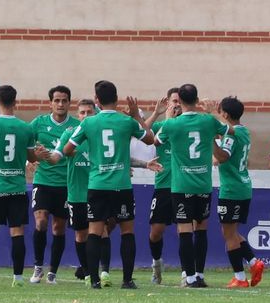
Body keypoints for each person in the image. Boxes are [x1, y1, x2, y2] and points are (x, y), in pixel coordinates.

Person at [63, 80, 158, 289]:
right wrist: (135, 115)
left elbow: (68, 149)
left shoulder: (88, 123)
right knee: (127, 231)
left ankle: (94, 279)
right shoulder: (126, 121)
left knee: (94, 232)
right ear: (117, 99)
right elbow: (150, 140)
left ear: (97, 101)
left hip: (97, 185)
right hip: (121, 185)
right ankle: (127, 280)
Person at [157, 84, 230, 288]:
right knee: (201, 229)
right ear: (197, 99)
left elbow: (155, 141)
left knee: (184, 230)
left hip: (181, 186)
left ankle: (188, 277)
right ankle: (199, 274)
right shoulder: (207, 121)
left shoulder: (173, 124)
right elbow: (229, 131)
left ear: (178, 100)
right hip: (203, 184)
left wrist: (168, 119)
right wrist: (213, 113)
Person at [0, 85, 39, 285]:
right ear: (15, 101)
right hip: (17, 188)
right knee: (17, 231)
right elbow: (30, 156)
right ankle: (18, 277)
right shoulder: (26, 128)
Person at [28, 86, 74, 284]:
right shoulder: (38, 123)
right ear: (50, 103)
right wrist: (28, 161)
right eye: (57, 100)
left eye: (64, 100)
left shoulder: (76, 126)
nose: (61, 104)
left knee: (59, 228)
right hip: (43, 180)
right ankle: (38, 267)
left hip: (66, 183)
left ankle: (52, 272)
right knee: (41, 221)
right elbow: (23, 143)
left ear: (69, 103)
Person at [215, 96, 262, 288]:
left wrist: (211, 142)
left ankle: (240, 278)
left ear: (225, 114)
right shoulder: (244, 132)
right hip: (243, 187)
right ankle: (253, 263)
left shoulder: (231, 135)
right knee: (231, 232)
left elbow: (223, 157)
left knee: (229, 235)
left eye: (220, 112)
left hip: (231, 189)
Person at [145, 87, 180, 285]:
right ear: (168, 103)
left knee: (185, 229)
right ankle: (156, 263)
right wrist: (157, 114)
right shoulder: (161, 125)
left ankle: (188, 272)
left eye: (180, 101)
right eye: (174, 101)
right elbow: (143, 134)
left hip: (185, 184)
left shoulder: (189, 124)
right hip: (164, 184)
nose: (177, 105)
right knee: (156, 231)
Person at [59, 99, 96, 284]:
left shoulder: (98, 134)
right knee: (81, 234)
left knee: (100, 232)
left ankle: (101, 272)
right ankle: (88, 272)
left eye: (89, 112)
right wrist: (39, 158)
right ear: (78, 115)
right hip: (76, 194)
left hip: (98, 191)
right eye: (83, 112)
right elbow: (57, 155)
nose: (86, 116)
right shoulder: (69, 135)